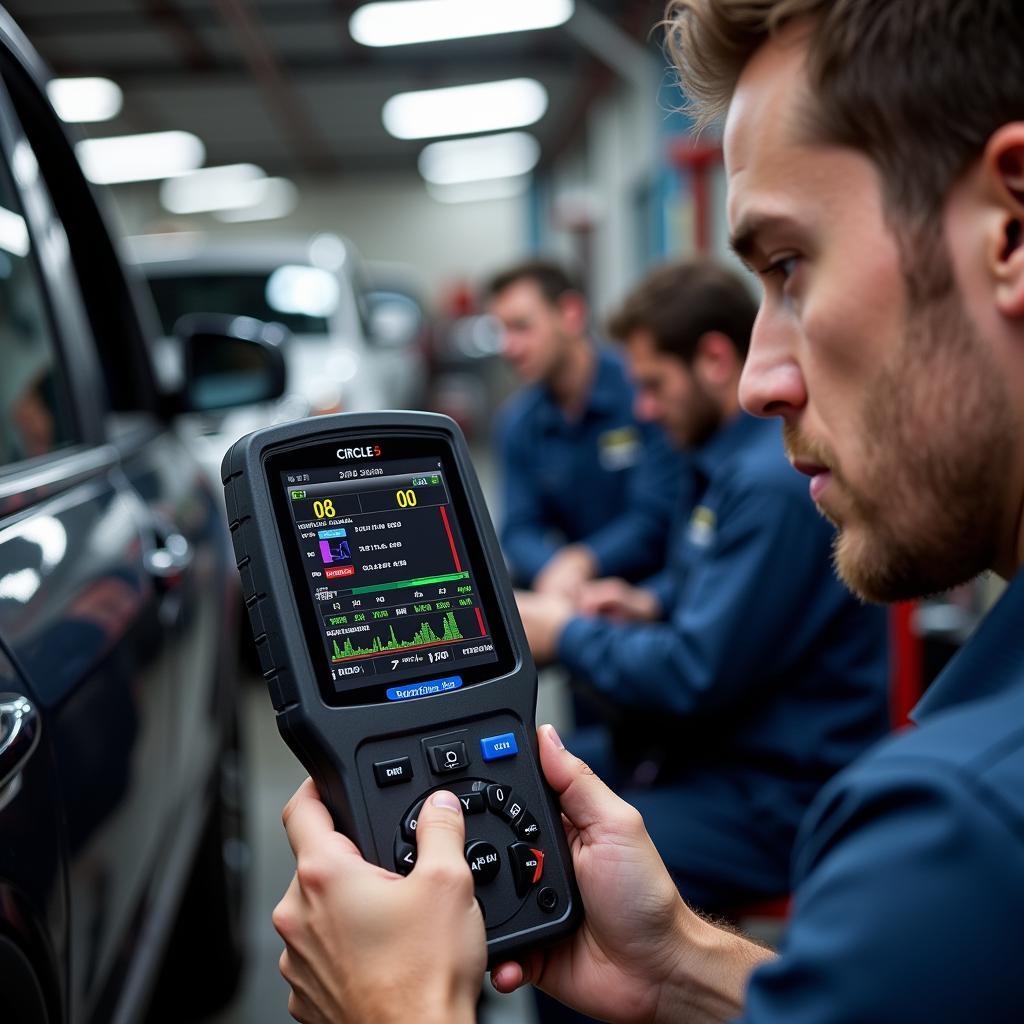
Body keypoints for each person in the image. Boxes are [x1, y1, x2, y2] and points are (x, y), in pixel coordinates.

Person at [272, 1, 1024, 1021]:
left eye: (791, 268)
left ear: (1010, 230)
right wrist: (677, 965)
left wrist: (397, 1003)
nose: (760, 377)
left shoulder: (957, 837)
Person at [518, 259, 889, 914]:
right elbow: (716, 584)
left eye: (655, 384)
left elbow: (694, 671)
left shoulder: (767, 486)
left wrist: (564, 633)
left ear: (715, 359)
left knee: (569, 864)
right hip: (727, 748)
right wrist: (650, 600)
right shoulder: (724, 465)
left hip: (783, 792)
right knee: (521, 778)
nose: (643, 409)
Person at [489, 260, 682, 599]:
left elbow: (655, 516)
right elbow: (518, 528)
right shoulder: (518, 423)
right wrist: (556, 571)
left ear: (571, 313)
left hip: (656, 594)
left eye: (521, 327)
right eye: (502, 331)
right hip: (571, 596)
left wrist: (582, 562)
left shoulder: (644, 394)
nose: (509, 347)